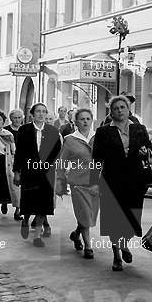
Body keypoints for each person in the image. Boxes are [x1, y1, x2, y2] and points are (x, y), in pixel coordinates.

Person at [92, 95, 152, 271]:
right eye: (116, 108)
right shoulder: (103, 132)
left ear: (128, 110)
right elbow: (97, 159)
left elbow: (148, 148)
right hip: (112, 180)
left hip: (135, 181)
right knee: (113, 218)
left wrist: (145, 149)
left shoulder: (139, 129)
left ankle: (124, 243)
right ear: (111, 112)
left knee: (131, 217)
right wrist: (94, 182)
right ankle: (116, 255)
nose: (119, 110)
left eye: (122, 107)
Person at [13, 103, 62, 247]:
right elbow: (20, 152)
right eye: (38, 111)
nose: (41, 114)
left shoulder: (53, 130)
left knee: (43, 204)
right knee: (29, 200)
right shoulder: (24, 130)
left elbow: (56, 150)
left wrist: (48, 165)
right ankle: (25, 220)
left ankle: (37, 236)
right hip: (29, 171)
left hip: (46, 172)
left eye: (44, 111)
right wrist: (17, 172)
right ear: (32, 114)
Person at [56, 108, 99, 259]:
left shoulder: (99, 137)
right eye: (82, 119)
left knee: (91, 215)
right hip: (78, 182)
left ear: (92, 120)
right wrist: (60, 181)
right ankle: (88, 247)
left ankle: (76, 234)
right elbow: (62, 162)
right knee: (85, 214)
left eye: (88, 118)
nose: (85, 121)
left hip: (96, 182)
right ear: (76, 122)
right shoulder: (70, 139)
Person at [4, 109, 24, 221]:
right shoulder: (6, 131)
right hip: (8, 160)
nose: (17, 120)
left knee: (19, 186)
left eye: (19, 117)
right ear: (11, 119)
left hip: (21, 161)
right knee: (8, 185)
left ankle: (18, 210)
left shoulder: (25, 129)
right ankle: (4, 202)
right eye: (15, 118)